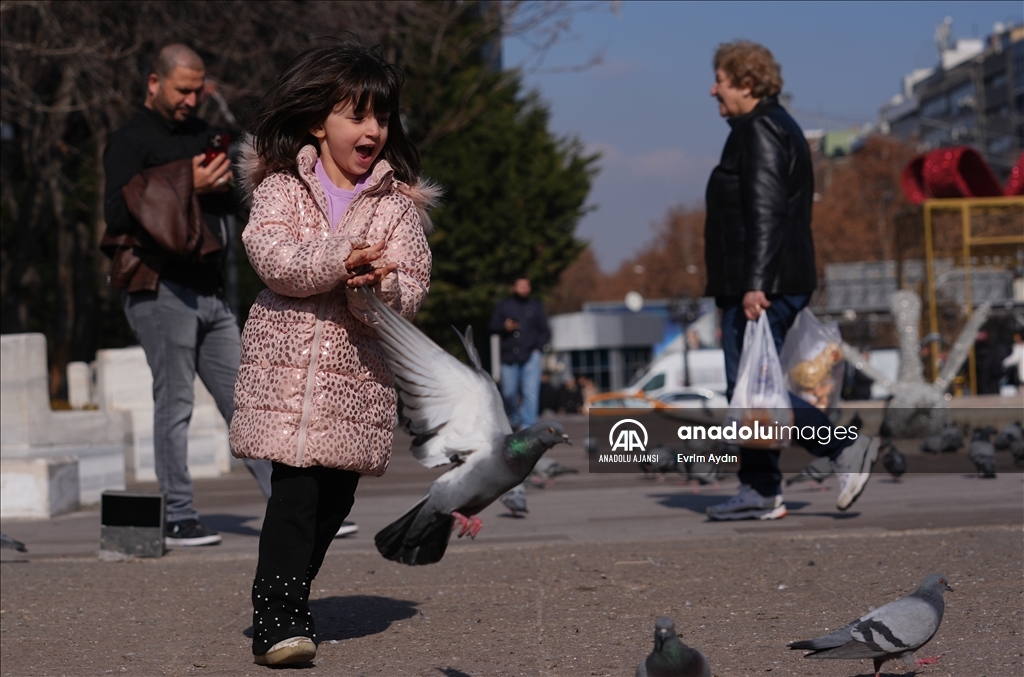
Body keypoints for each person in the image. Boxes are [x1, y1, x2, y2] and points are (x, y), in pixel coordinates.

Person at [229, 39, 437, 666]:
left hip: (356, 384)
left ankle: (290, 594)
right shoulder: (280, 190)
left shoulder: (397, 208)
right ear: (320, 122)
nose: (372, 129)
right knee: (295, 497)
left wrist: (379, 286)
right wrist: (337, 259)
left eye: (382, 117)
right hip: (287, 381)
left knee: (334, 500)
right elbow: (274, 259)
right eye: (357, 115)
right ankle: (279, 616)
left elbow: (413, 285)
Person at [101, 44, 273, 548]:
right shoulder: (129, 140)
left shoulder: (207, 134)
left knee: (249, 404)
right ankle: (178, 515)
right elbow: (115, 215)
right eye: (182, 89)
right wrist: (186, 182)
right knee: (173, 403)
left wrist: (224, 178)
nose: (190, 98)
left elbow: (242, 204)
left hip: (211, 292)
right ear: (155, 82)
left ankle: (288, 508)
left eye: (198, 89)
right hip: (158, 287)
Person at [701, 41, 878, 521]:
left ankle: (845, 450)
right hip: (772, 277)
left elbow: (765, 211)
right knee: (754, 391)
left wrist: (754, 283)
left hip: (762, 283)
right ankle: (760, 489)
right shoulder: (772, 126)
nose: (711, 88)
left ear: (747, 83)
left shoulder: (758, 129)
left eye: (720, 79)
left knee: (757, 393)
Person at [489, 275, 551, 430]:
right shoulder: (503, 306)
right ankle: (515, 417)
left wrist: (539, 346)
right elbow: (491, 327)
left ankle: (528, 425)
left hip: (531, 354)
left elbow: (545, 330)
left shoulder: (536, 305)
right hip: (509, 356)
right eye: (521, 285)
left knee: (530, 393)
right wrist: (504, 327)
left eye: (527, 285)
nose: (525, 288)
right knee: (509, 392)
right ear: (513, 287)